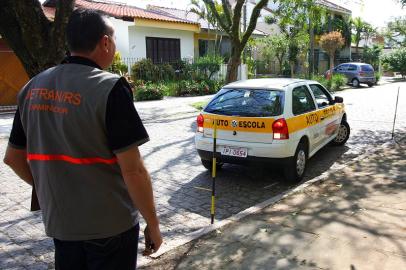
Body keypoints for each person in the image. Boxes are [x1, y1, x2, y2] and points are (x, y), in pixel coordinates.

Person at [3, 9, 162, 270]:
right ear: (105, 42)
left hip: (62, 226)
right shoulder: (110, 88)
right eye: (113, 38)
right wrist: (153, 225)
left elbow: (12, 158)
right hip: (111, 227)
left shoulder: (31, 88)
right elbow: (133, 171)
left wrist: (48, 184)